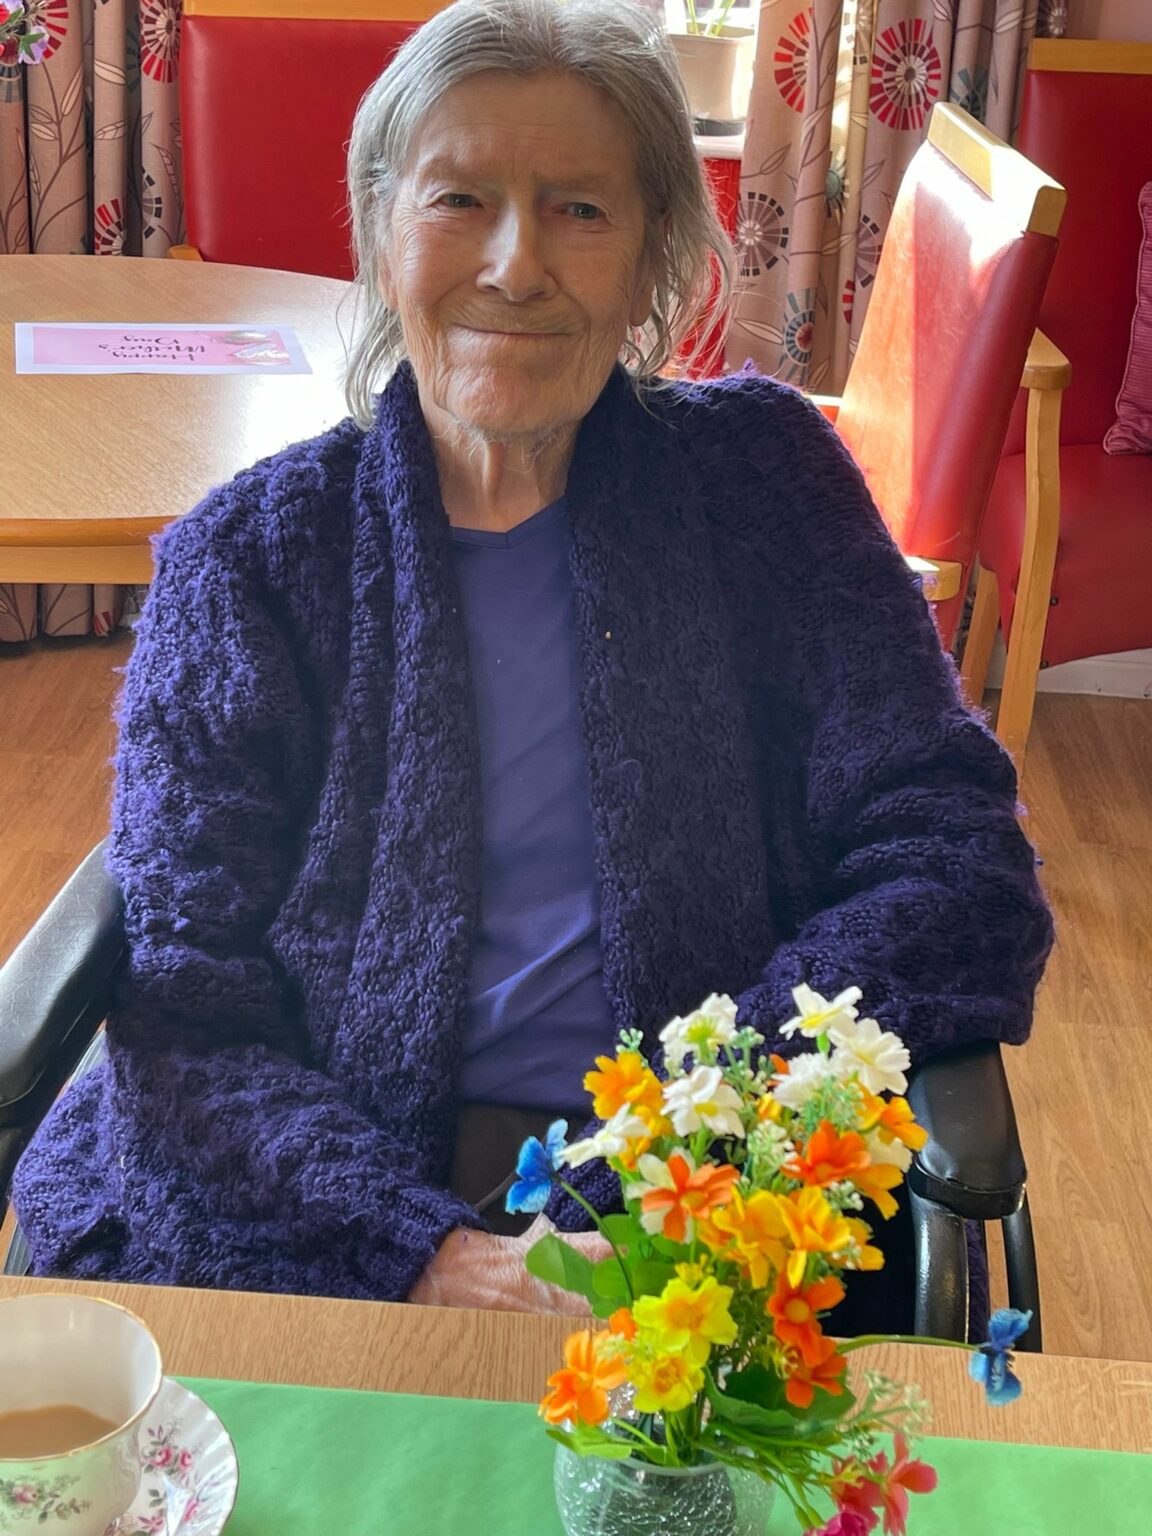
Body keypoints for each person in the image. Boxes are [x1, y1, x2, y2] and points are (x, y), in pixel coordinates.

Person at [12, 0, 1052, 1322]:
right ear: (382, 227)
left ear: (654, 253)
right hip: (329, 1204)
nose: (516, 266)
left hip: (702, 1196)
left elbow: (951, 857)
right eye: (460, 200)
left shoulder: (767, 486)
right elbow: (187, 1012)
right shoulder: (250, 561)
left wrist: (682, 1156)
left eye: (580, 210)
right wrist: (426, 1258)